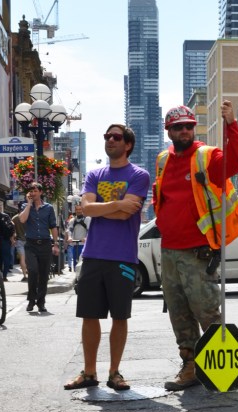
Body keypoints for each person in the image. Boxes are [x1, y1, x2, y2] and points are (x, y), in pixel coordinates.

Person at [153, 102, 238, 391]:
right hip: (169, 250)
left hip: (197, 250)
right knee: (179, 313)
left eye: (188, 126)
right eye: (178, 127)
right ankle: (191, 365)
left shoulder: (207, 156)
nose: (184, 131)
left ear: (194, 128)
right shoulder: (162, 160)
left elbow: (235, 163)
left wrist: (232, 125)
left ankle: (225, 367)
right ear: (168, 131)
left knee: (207, 311)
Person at [64, 124, 150, 392]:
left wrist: (103, 209)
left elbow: (126, 214)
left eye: (116, 137)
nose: (110, 140)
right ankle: (89, 373)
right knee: (89, 316)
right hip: (93, 254)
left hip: (122, 257)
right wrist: (117, 204)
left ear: (128, 145)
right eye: (107, 136)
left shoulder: (139, 175)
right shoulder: (94, 174)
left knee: (119, 317)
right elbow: (87, 208)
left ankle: (114, 372)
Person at [19, 182, 60, 312]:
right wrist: (29, 204)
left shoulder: (48, 208)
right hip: (30, 244)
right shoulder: (26, 206)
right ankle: (31, 300)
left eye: (35, 191)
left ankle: (41, 302)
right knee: (33, 270)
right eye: (31, 191)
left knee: (43, 274)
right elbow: (22, 220)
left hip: (45, 244)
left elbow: (53, 226)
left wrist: (56, 244)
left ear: (41, 192)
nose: (32, 193)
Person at [66, 205, 90, 271]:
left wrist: (86, 238)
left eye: (80, 209)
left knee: (83, 263)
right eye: (77, 209)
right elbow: (70, 230)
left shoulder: (87, 219)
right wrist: (70, 237)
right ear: (75, 210)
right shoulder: (72, 220)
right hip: (75, 245)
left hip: (84, 245)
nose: (78, 211)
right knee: (75, 263)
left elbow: (89, 230)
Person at [12, 203, 28, 282]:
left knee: (22, 258)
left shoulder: (14, 218)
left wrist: (12, 240)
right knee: (30, 258)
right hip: (28, 240)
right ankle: (30, 274)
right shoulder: (28, 217)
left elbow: (12, 230)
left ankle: (24, 275)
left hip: (19, 240)